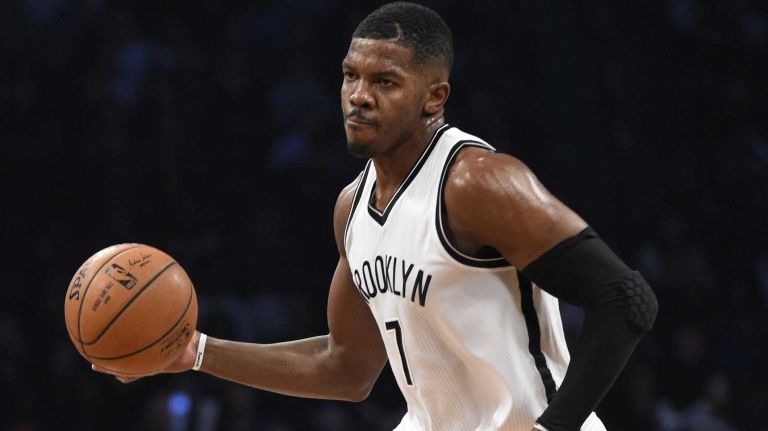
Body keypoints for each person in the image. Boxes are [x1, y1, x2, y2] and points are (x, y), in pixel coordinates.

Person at [94, 3, 658, 430]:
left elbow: (627, 299)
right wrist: (192, 352)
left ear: (434, 97)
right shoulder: (352, 209)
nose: (358, 96)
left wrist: (554, 429)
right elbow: (345, 367)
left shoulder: (478, 182)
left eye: (384, 82)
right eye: (350, 76)